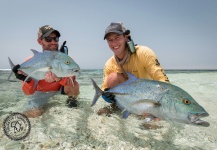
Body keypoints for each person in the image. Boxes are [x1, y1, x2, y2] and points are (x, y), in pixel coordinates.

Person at [98, 22, 169, 116]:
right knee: (112, 78)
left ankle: (146, 113)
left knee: (151, 126)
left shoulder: (144, 53)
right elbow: (104, 89)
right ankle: (119, 107)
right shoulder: (109, 64)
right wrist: (107, 95)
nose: (114, 43)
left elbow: (163, 81)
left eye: (117, 38)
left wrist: (160, 106)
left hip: (148, 99)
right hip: (126, 100)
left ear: (126, 37)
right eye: (110, 40)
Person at [12, 25, 80, 118]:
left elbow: (71, 80)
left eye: (56, 38)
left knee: (74, 85)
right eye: (48, 39)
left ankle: (72, 102)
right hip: (41, 93)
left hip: (59, 91)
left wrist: (59, 79)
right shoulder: (29, 61)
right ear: (40, 41)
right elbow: (28, 93)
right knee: (35, 113)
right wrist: (27, 80)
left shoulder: (66, 59)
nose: (53, 42)